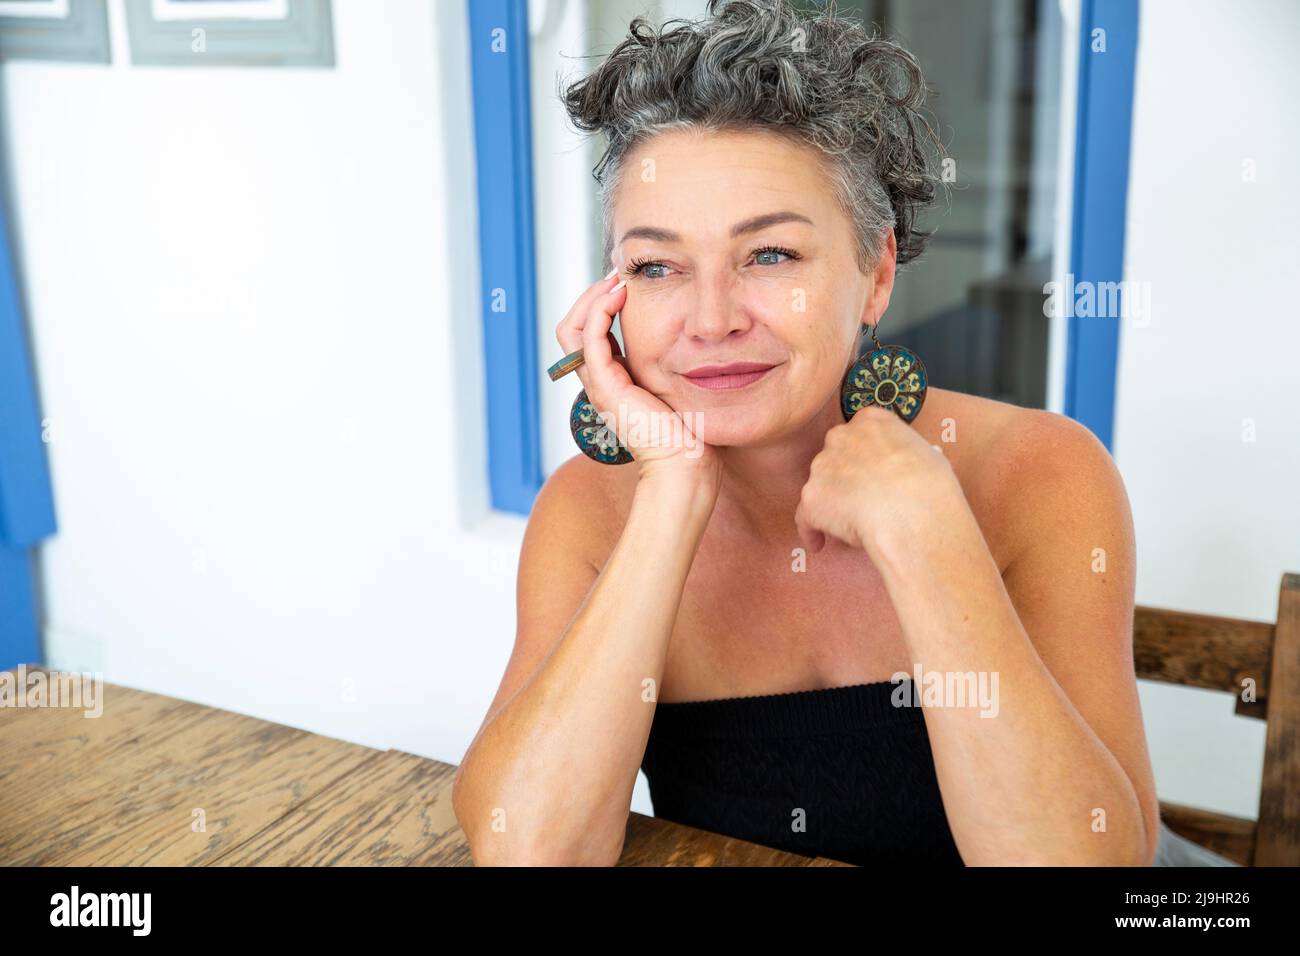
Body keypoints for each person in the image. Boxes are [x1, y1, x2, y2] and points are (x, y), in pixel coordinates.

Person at [452, 0, 1162, 866]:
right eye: (657, 266)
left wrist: (931, 543)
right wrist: (671, 495)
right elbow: (524, 852)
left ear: (876, 272)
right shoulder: (592, 513)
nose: (710, 320)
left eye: (770, 255)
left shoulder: (1041, 474)